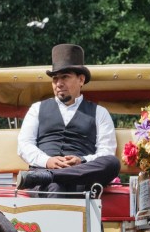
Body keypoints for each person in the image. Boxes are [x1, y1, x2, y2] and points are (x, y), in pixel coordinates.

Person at [16, 44, 120, 194]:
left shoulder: (99, 112)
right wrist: (48, 161)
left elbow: (107, 151)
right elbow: (24, 145)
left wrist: (82, 160)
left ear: (81, 80)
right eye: (55, 78)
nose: (59, 83)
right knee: (55, 187)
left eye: (65, 77)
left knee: (112, 162)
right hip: (44, 177)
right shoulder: (36, 109)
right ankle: (48, 176)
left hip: (82, 178)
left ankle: (48, 176)